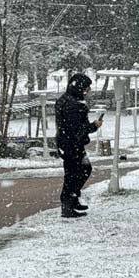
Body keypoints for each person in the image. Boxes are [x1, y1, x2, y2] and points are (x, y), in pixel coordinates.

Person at [55, 73, 104, 219]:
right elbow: (76, 129)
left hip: (67, 143)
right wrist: (94, 126)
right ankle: (68, 205)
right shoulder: (73, 104)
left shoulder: (65, 99)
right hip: (72, 144)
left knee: (75, 172)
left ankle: (72, 200)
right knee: (76, 173)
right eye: (86, 88)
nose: (87, 91)